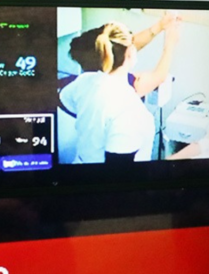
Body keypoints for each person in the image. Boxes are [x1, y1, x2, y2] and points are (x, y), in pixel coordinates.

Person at [59, 14, 181, 163]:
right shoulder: (129, 110)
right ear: (129, 53)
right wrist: (170, 45)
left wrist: (159, 26)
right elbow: (118, 171)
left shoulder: (82, 82)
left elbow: (122, 49)